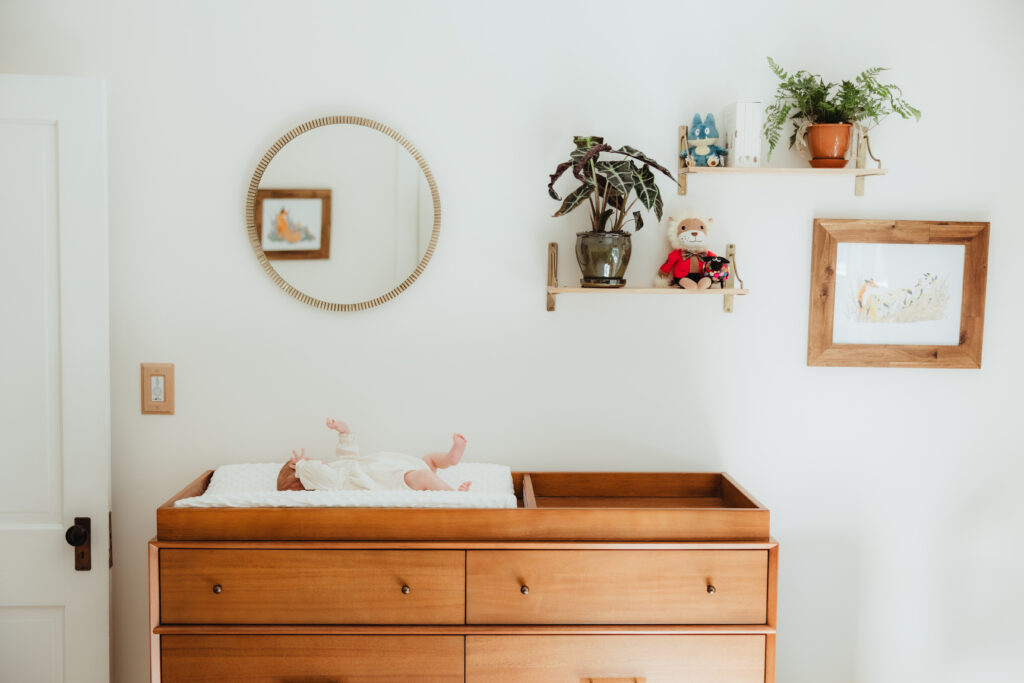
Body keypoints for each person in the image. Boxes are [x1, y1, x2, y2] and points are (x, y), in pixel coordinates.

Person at [276, 418, 472, 492]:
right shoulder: (329, 485)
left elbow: (348, 457)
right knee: (425, 475)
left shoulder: (339, 470)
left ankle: (450, 457)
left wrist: (344, 432)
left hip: (400, 468)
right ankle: (455, 498)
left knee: (429, 460)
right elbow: (319, 474)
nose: (314, 461)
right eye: (310, 464)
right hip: (394, 480)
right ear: (308, 480)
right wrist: (301, 467)